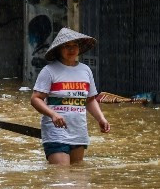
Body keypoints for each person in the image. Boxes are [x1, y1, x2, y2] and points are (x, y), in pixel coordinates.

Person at [30, 28, 110, 165]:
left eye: (75, 45)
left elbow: (90, 100)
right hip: (56, 132)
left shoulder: (85, 70)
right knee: (62, 177)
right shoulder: (49, 71)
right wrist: (53, 114)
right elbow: (35, 99)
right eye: (67, 46)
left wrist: (101, 118)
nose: (71, 49)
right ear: (59, 49)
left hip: (78, 131)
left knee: (77, 177)